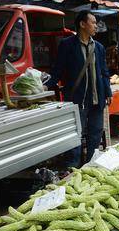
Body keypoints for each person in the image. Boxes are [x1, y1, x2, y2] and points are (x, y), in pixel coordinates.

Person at [47, 11, 112, 167]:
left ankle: (91, 164)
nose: (96, 26)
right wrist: (45, 86)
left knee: (95, 133)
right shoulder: (67, 45)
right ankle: (73, 167)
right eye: (93, 22)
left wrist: (108, 92)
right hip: (77, 98)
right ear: (82, 24)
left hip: (98, 98)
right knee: (76, 135)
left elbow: (104, 72)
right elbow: (58, 69)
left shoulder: (99, 47)